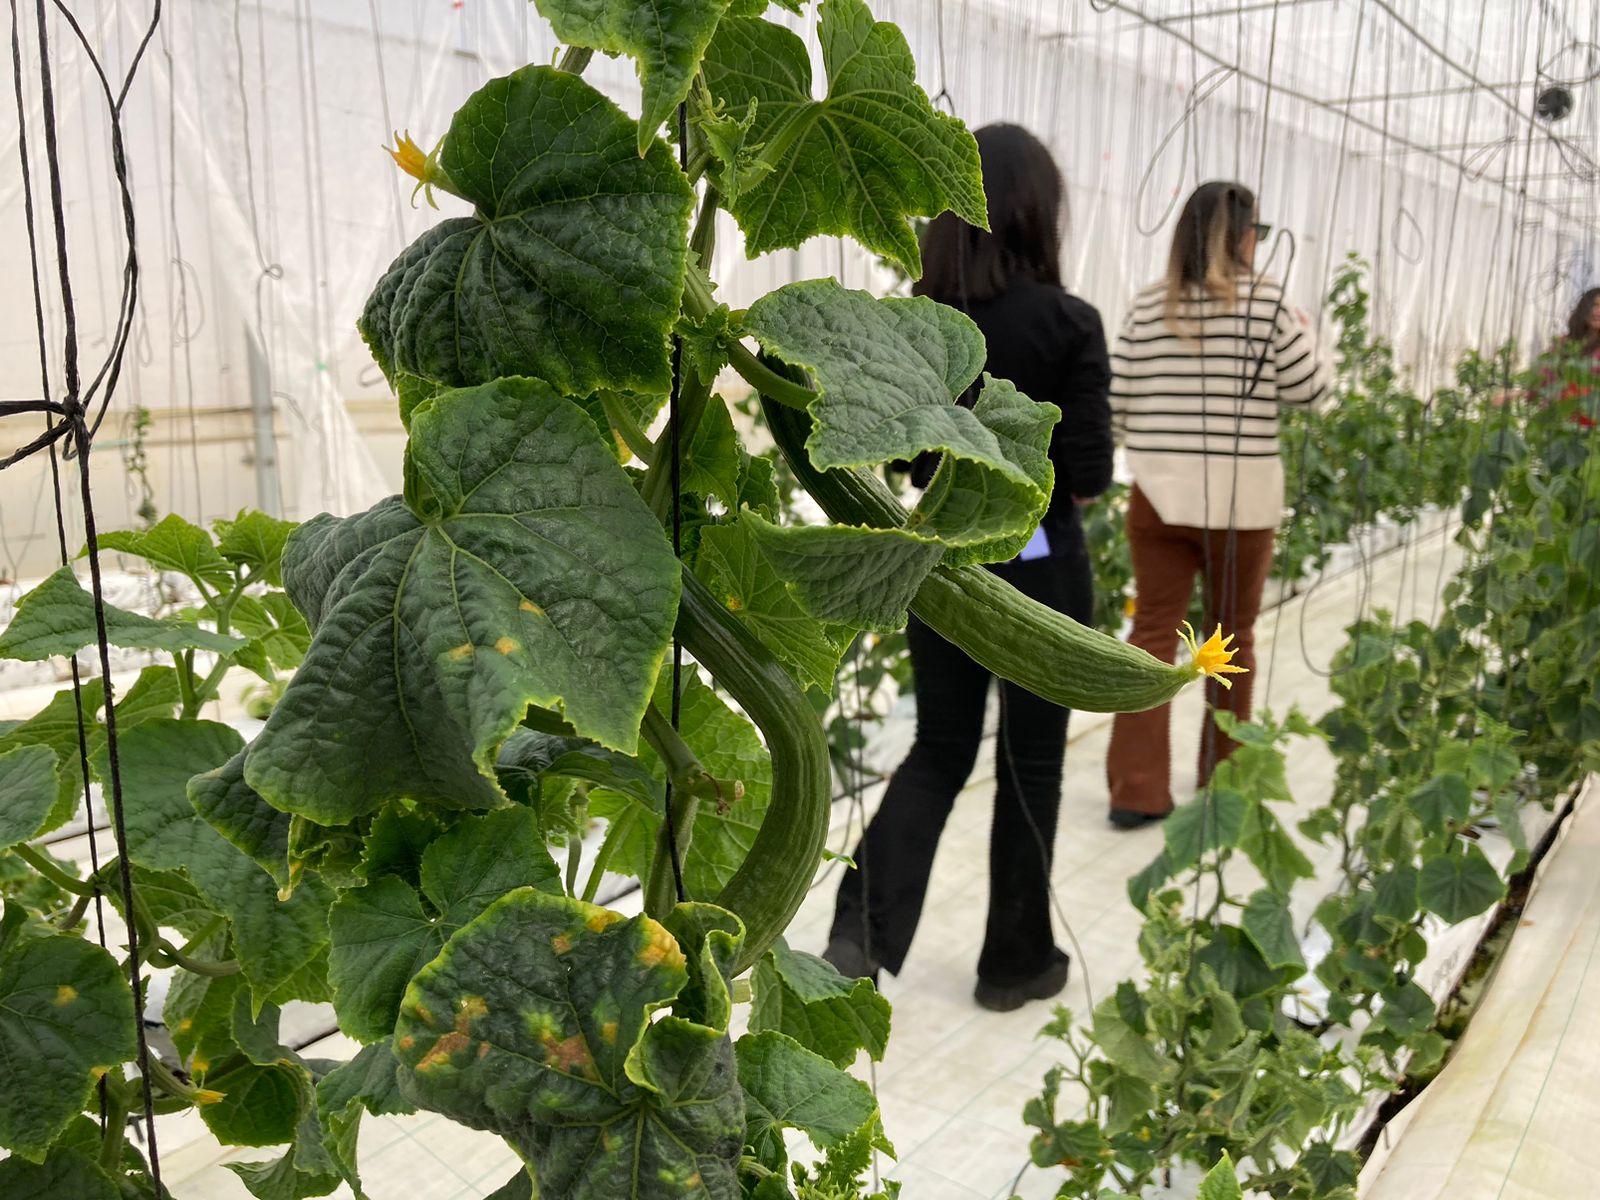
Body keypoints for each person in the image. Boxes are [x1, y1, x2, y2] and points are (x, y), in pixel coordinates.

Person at [823, 124, 1113, 1012]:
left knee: (940, 748)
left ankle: (859, 933)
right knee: (1033, 764)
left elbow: (905, 459)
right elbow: (1091, 476)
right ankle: (1013, 963)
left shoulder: (924, 330)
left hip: (941, 565)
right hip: (1044, 571)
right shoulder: (1068, 323)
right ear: (1040, 215)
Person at [1104, 181, 1331, 829]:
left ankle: (1136, 792)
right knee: (1230, 637)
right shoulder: (1268, 305)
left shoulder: (1149, 307)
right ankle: (1223, 783)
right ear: (1243, 235)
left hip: (1159, 497)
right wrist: (1306, 334)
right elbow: (1312, 391)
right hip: (1243, 505)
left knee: (1151, 636)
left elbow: (1116, 406)